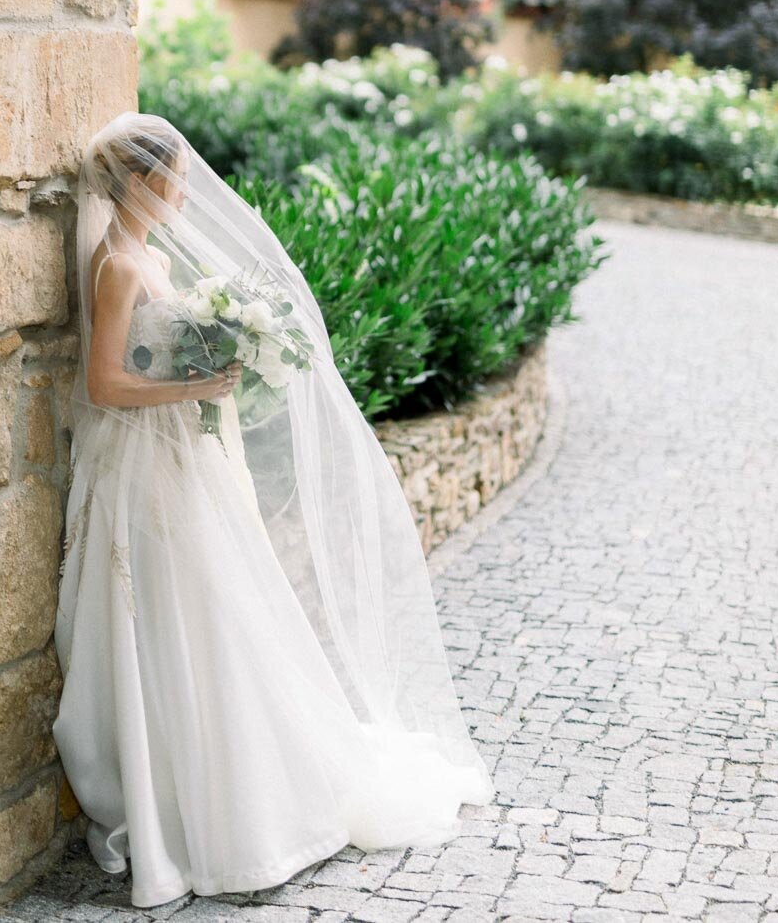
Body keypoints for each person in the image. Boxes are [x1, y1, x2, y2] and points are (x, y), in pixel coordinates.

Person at [52, 110, 493, 908]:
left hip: (179, 456)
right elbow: (102, 384)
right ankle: (191, 800)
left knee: (214, 609)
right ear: (143, 182)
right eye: (176, 176)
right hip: (144, 467)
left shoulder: (143, 255)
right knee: (173, 615)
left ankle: (234, 778)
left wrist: (222, 360)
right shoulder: (117, 265)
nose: (186, 190)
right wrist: (197, 386)